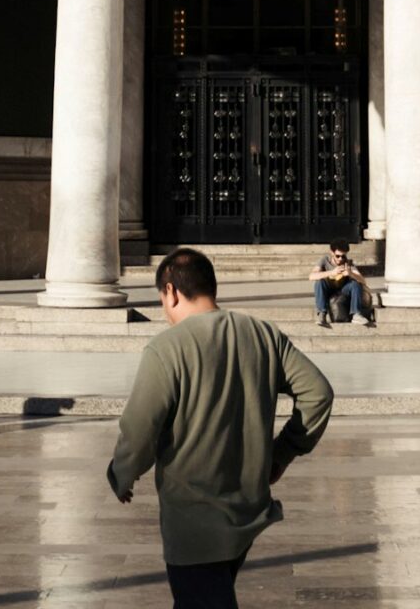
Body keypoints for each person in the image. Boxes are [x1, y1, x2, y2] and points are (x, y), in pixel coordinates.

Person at [109, 245, 334, 606]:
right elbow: (318, 393)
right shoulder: (262, 334)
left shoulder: (166, 349)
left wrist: (122, 473)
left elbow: (140, 429)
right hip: (246, 510)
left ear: (171, 291)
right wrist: (283, 452)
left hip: (193, 519)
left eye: (161, 299)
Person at [309, 242, 375, 329]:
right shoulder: (325, 260)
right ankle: (322, 314)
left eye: (343, 256)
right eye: (337, 256)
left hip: (343, 291)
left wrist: (351, 274)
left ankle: (356, 314)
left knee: (355, 283)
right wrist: (331, 273)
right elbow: (311, 276)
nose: (340, 259)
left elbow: (363, 280)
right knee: (319, 282)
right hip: (329, 289)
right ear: (332, 253)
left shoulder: (347, 263)